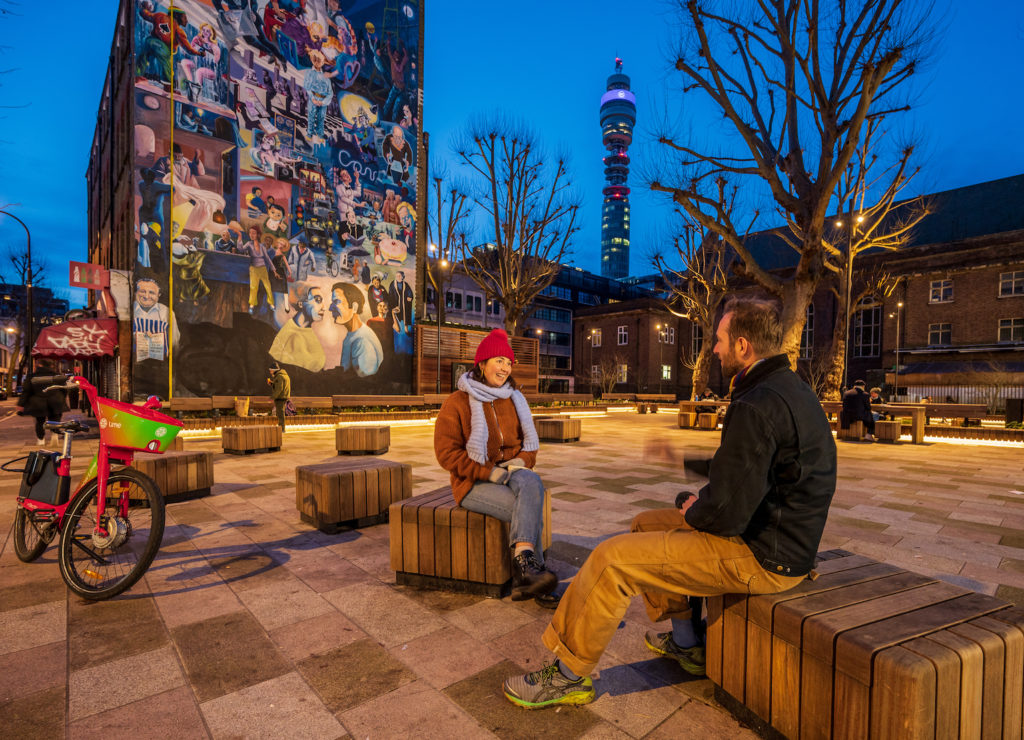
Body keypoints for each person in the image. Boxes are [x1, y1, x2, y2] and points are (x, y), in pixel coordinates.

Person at [501, 297, 837, 709]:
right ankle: (686, 643)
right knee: (646, 523)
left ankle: (568, 675)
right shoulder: (784, 389)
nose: (714, 349)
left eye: (720, 340)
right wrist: (683, 466)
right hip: (777, 540)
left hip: (762, 556)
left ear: (743, 346)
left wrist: (694, 510)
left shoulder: (757, 403)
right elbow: (749, 466)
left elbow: (726, 513)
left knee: (611, 559)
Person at [434, 329, 558, 602]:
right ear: (481, 364)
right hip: (473, 482)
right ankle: (531, 574)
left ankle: (527, 572)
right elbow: (446, 454)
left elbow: (530, 445)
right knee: (526, 505)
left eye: (508, 362)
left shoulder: (514, 399)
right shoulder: (457, 402)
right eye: (498, 360)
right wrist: (488, 472)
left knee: (532, 482)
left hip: (512, 470)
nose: (504, 367)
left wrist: (521, 462)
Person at [270, 284, 327, 372]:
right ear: (301, 304)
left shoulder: (307, 332)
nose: (324, 308)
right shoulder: (291, 336)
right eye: (318, 300)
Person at [331, 282, 383, 377]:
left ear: (354, 307)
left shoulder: (362, 342)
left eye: (336, 302)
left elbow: (363, 383)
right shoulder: (354, 334)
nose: (331, 308)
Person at [18, 363, 69, 446]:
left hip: (38, 401)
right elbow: (64, 389)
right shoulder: (57, 375)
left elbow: (26, 391)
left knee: (40, 421)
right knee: (55, 419)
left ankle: (41, 439)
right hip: (55, 400)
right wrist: (62, 398)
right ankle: (54, 436)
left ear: (40, 365)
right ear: (51, 366)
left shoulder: (32, 376)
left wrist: (21, 404)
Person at [268, 361, 290, 429]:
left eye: (270, 370)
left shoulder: (279, 376)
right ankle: (281, 427)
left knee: (280, 413)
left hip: (280, 397)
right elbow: (279, 386)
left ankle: (282, 428)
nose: (270, 372)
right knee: (280, 412)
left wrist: (273, 397)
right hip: (283, 396)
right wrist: (272, 383)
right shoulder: (284, 375)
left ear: (274, 370)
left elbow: (279, 389)